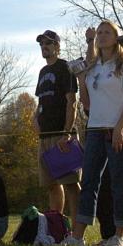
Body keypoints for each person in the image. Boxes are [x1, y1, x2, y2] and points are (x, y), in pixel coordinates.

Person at [64, 21, 123, 246]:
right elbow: (87, 104)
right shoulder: (94, 67)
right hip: (95, 129)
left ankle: (120, 236)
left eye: (107, 32)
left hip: (119, 129)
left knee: (119, 181)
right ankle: (77, 237)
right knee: (89, 182)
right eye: (99, 33)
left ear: (116, 37)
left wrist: (118, 129)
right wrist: (80, 79)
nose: (102, 36)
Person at [34, 29, 81, 221]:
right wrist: (34, 119)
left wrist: (67, 132)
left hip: (62, 135)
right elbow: (40, 103)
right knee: (51, 184)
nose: (44, 47)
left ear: (57, 47)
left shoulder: (65, 68)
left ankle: (78, 232)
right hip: (44, 136)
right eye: (42, 44)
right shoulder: (43, 71)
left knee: (71, 184)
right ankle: (56, 226)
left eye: (48, 43)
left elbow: (72, 102)